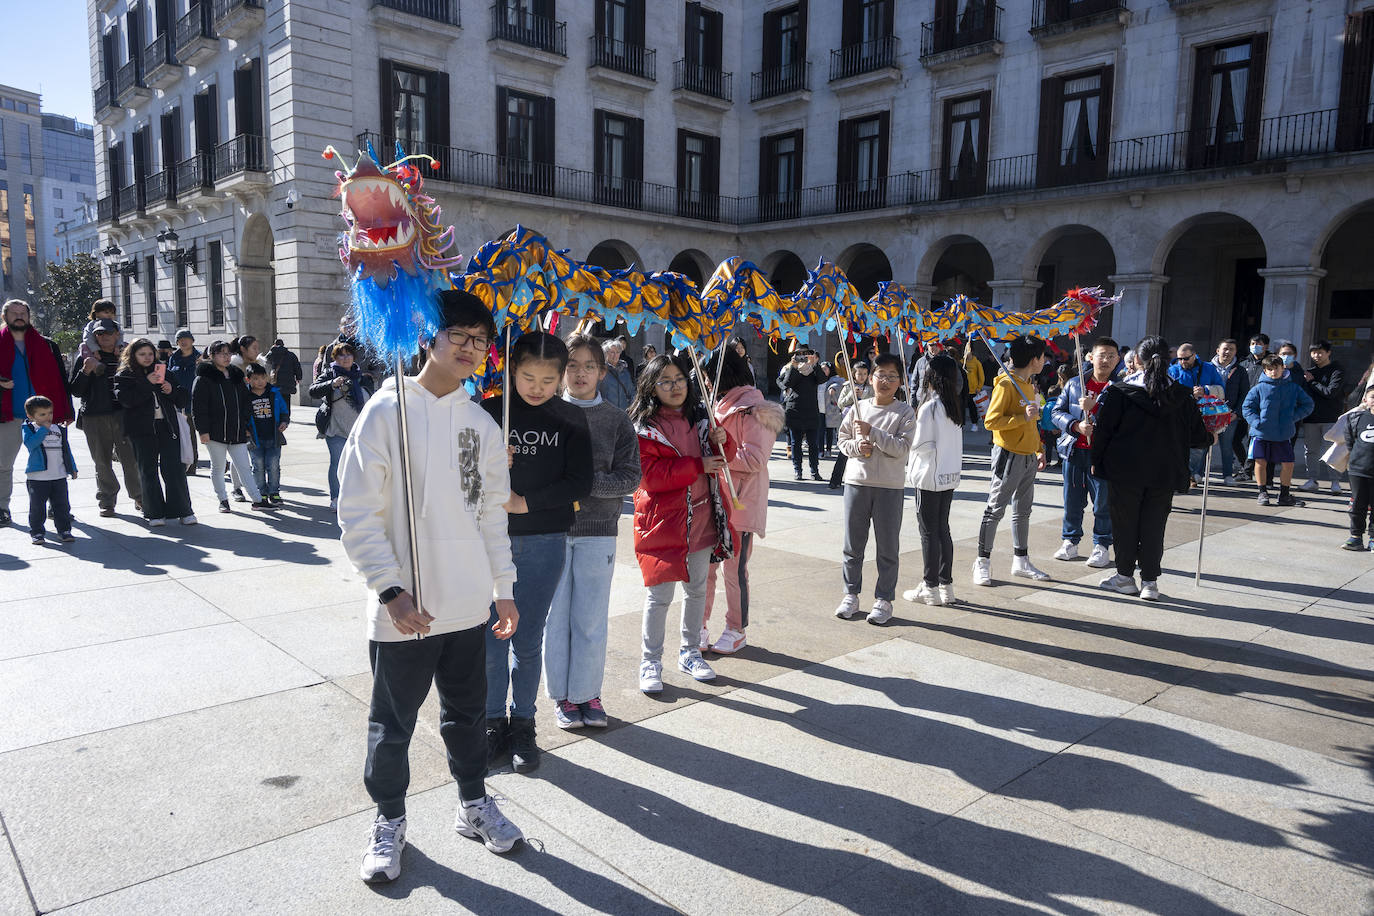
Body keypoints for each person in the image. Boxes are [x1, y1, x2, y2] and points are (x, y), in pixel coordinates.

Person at [337, 288, 524, 882]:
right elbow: (356, 512)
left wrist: (503, 586)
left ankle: (473, 804)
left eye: (480, 340)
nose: (470, 349)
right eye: (459, 336)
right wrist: (389, 589)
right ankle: (389, 820)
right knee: (391, 727)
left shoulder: (480, 421)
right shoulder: (386, 410)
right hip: (405, 612)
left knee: (467, 717)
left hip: (469, 607)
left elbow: (491, 512)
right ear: (429, 336)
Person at [479, 332, 592, 773]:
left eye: (548, 378)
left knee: (526, 640)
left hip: (544, 540)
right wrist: (493, 466)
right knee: (491, 636)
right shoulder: (489, 412)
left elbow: (579, 482)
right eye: (528, 376)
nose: (537, 387)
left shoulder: (569, 419)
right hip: (488, 541)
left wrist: (525, 501)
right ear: (510, 369)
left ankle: (523, 722)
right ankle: (492, 722)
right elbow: (459, 476)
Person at [543, 333, 640, 730]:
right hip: (549, 530)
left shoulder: (617, 420)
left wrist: (585, 483)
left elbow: (631, 478)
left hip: (597, 532)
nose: (579, 373)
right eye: (571, 366)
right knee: (556, 617)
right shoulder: (546, 412)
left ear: (603, 371)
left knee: (590, 618)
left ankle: (587, 693)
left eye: (588, 366)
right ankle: (562, 697)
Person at [630, 355, 734, 693]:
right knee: (659, 597)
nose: (675, 386)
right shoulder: (644, 427)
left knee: (697, 591)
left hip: (702, 520)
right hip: (663, 524)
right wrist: (697, 464)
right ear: (651, 387)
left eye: (679, 379)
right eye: (665, 381)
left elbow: (723, 459)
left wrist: (723, 439)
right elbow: (651, 478)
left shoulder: (701, 419)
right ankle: (651, 660)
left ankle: (690, 652)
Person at [1092, 335, 1210, 601]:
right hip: (1164, 472)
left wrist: (1097, 464)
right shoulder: (1181, 395)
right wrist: (1212, 432)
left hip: (1125, 470)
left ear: (1136, 360)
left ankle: (1124, 577)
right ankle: (1150, 582)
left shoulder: (1120, 391)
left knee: (1125, 524)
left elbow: (1104, 433)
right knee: (1154, 526)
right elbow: (1198, 437)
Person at [701, 347, 784, 654]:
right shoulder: (716, 405)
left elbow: (755, 459)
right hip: (713, 498)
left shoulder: (755, 409)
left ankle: (736, 628)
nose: (706, 383)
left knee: (733, 570)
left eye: (708, 377)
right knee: (706, 568)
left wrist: (720, 451)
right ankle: (700, 623)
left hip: (740, 502)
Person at [833, 353, 915, 625]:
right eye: (881, 375)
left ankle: (883, 599)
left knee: (887, 547)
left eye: (892, 377)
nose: (886, 381)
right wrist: (857, 447)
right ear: (871, 378)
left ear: (900, 382)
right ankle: (850, 594)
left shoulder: (905, 411)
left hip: (889, 487)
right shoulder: (858, 407)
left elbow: (902, 448)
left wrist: (873, 434)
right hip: (857, 482)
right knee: (852, 545)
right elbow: (843, 440)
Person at [974, 334, 1051, 586]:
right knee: (995, 508)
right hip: (1008, 456)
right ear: (1033, 359)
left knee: (1023, 510)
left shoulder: (1029, 384)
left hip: (1029, 455)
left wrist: (1039, 447)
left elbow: (1032, 423)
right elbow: (991, 421)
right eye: (1042, 356)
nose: (1044, 360)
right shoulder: (1006, 385)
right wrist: (1022, 418)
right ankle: (982, 562)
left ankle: (1021, 560)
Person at [1, 299, 74, 526]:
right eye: (14, 313)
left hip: (44, 416)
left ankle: (57, 507)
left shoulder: (47, 345)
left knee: (55, 462)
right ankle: (2, 508)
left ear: (29, 316)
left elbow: (62, 381)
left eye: (23, 312)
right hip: (9, 414)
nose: (19, 316)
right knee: (3, 465)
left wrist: (66, 410)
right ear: (5, 317)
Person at [901, 353, 964, 608]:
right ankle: (945, 584)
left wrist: (909, 428)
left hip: (928, 477)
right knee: (942, 529)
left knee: (928, 532)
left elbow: (919, 444)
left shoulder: (930, 408)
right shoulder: (954, 406)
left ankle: (930, 586)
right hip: (948, 475)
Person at [1051, 338, 1119, 570]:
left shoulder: (1119, 388)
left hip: (1103, 456)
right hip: (1074, 452)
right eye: (1102, 354)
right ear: (1091, 357)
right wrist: (1075, 425)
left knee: (1102, 503)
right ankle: (1070, 540)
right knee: (1072, 500)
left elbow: (1124, 422)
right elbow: (1056, 412)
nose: (1106, 360)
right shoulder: (1074, 384)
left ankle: (1101, 545)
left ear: (1118, 359)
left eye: (1112, 355)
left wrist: (1095, 411)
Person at [115, 338, 195, 527]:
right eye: (142, 354)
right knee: (147, 470)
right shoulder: (125, 375)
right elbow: (126, 400)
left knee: (174, 469)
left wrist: (171, 390)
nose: (147, 358)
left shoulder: (162, 370)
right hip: (141, 430)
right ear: (133, 355)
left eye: (150, 354)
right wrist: (146, 383)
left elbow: (183, 398)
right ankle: (154, 512)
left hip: (166, 426)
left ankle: (183, 510)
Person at [67, 316, 139, 519]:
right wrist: (86, 371)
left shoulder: (127, 357)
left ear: (117, 334)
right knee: (101, 461)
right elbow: (76, 391)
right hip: (95, 416)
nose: (104, 337)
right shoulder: (87, 358)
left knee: (131, 458)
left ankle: (139, 496)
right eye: (99, 333)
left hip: (124, 415)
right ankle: (107, 500)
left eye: (108, 333)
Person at [193, 340, 268, 513]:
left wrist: (246, 423)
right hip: (214, 432)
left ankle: (257, 500)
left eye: (228, 353)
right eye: (221, 353)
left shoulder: (235, 375)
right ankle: (223, 499)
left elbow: (245, 401)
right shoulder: (204, 378)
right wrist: (202, 431)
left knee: (244, 466)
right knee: (218, 467)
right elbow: (199, 407)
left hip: (237, 430)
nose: (226, 357)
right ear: (212, 356)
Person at [1242, 355, 1316, 508]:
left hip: (1283, 433)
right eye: (1269, 369)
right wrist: (1257, 422)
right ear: (1265, 370)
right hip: (1261, 433)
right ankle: (1262, 492)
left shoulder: (1293, 387)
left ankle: (1284, 494)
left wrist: (1293, 417)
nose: (1273, 372)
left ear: (1283, 368)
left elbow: (1308, 404)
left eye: (1276, 368)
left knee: (1288, 463)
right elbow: (1247, 408)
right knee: (1260, 461)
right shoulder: (1258, 388)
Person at [310, 341, 374, 511]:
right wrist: (332, 384)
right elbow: (313, 391)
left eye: (348, 354)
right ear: (335, 358)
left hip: (359, 431)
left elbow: (372, 401)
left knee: (359, 466)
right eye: (340, 355)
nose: (345, 358)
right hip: (336, 428)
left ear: (354, 357)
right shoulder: (329, 373)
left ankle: (356, 498)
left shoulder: (363, 378)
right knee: (337, 463)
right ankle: (336, 498)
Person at [21, 395, 77, 544]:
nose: (48, 417)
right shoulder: (29, 428)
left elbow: (66, 450)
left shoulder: (58, 429)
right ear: (31, 416)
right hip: (38, 478)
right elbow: (31, 445)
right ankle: (37, 532)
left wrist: (72, 468)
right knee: (37, 507)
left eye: (50, 413)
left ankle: (64, 530)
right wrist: (43, 430)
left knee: (62, 506)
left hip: (58, 476)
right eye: (42, 414)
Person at [1167, 342, 1225, 486]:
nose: (1182, 362)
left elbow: (1221, 389)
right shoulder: (1173, 370)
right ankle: (1182, 475)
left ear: (1194, 355)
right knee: (1178, 446)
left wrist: (1205, 390)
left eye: (1185, 358)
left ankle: (1190, 474)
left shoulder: (1209, 369)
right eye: (1179, 359)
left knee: (1198, 447)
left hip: (1203, 413)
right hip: (1179, 414)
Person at [1298, 340, 1346, 494]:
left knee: (1332, 450)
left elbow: (1330, 392)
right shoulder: (1309, 371)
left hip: (1331, 418)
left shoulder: (1336, 370)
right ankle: (1312, 480)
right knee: (1310, 451)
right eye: (1313, 352)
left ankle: (1335, 482)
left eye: (1320, 352)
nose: (1316, 355)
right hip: (1311, 418)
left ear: (1328, 353)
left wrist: (1312, 382)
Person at [779, 346, 830, 481]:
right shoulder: (792, 368)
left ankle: (815, 471)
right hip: (795, 410)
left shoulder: (813, 369)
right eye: (799, 354)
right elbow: (786, 383)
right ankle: (798, 470)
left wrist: (814, 364)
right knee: (796, 443)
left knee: (813, 444)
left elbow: (822, 380)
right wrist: (794, 367)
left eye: (805, 354)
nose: (803, 357)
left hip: (812, 410)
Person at [244, 364, 290, 506]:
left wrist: (284, 421)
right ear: (248, 380)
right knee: (257, 466)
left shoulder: (274, 392)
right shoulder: (245, 395)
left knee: (274, 465)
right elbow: (241, 414)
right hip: (255, 438)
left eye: (263, 378)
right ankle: (261, 493)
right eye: (256, 378)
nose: (260, 381)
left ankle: (274, 492)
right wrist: (244, 429)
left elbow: (284, 409)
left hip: (273, 436)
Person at [1210, 339, 1250, 485]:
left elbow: (1244, 393)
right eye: (1225, 349)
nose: (1228, 352)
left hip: (1229, 414)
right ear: (1218, 350)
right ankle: (1197, 474)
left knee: (1227, 446)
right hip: (1209, 412)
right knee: (1203, 445)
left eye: (1231, 349)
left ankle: (1227, 475)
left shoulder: (1240, 370)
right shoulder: (1208, 367)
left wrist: (1237, 413)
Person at [1341, 383, 1374, 550]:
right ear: (1365, 400)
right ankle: (1355, 536)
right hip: (1358, 469)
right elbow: (1350, 442)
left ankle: (1373, 538)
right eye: (1373, 397)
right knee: (1357, 505)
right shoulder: (1357, 418)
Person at [830, 360, 872, 489]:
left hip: (865, 422)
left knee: (865, 452)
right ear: (854, 374)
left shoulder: (870, 388)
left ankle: (864, 480)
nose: (862, 376)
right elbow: (841, 403)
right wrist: (852, 394)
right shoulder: (848, 386)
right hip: (850, 423)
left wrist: (863, 395)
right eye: (859, 374)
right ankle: (835, 480)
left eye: (865, 373)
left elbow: (873, 402)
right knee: (844, 452)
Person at [167, 329, 201, 473]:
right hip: (180, 402)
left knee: (208, 434)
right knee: (187, 434)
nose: (183, 341)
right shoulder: (173, 358)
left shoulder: (200, 357)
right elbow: (169, 376)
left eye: (186, 338)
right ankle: (191, 465)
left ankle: (221, 463)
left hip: (199, 401)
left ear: (192, 340)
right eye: (180, 339)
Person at [76, 299, 122, 363]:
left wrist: (117, 346)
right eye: (106, 312)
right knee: (83, 346)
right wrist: (95, 351)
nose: (110, 315)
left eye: (112, 313)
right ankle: (94, 364)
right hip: (93, 348)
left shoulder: (116, 324)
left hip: (113, 349)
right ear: (96, 313)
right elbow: (88, 338)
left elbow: (120, 336)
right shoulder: (91, 325)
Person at [597, 337, 636, 411]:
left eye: (617, 352)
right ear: (606, 353)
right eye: (612, 352)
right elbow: (594, 393)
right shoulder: (601, 371)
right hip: (606, 414)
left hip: (623, 414)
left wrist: (631, 408)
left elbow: (631, 392)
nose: (615, 355)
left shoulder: (625, 371)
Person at [264, 338, 304, 405]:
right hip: (288, 381)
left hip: (276, 381)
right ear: (283, 345)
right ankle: (286, 414)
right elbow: (297, 367)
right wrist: (298, 378)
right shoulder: (291, 355)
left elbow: (265, 360)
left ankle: (278, 414)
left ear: (274, 345)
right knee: (286, 400)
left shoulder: (272, 353)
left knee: (276, 400)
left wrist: (271, 349)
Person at [822, 363, 845, 458]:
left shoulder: (834, 380)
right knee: (827, 430)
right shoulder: (820, 379)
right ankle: (827, 449)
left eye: (826, 369)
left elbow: (838, 384)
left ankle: (831, 449)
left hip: (832, 409)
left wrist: (833, 388)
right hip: (822, 408)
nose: (824, 371)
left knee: (834, 430)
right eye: (822, 369)